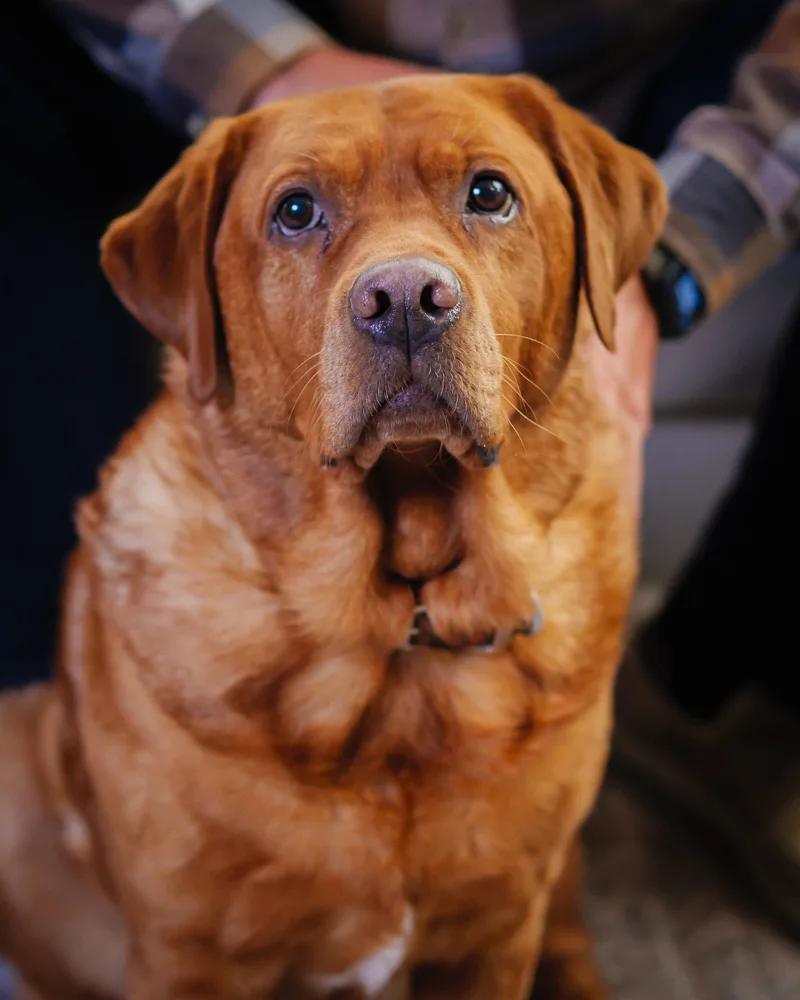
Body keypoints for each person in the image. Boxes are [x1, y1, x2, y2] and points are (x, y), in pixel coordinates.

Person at [2, 0, 798, 926]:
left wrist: (663, 262)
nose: (404, 287)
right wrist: (260, 64)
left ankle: (733, 703)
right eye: (300, 213)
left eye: (485, 194)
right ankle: (48, 735)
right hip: (208, 59)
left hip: (637, 69)